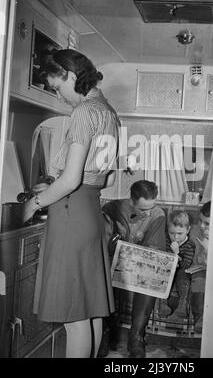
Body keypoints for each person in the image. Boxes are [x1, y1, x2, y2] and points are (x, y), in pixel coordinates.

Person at [23, 49, 121, 358]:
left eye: (57, 87)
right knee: (88, 312)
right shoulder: (109, 112)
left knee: (72, 317)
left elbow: (70, 180)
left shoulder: (83, 112)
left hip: (70, 214)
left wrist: (34, 203)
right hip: (91, 211)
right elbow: (103, 180)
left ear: (71, 76)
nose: (60, 96)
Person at [100, 180, 166, 358]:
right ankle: (103, 336)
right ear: (131, 200)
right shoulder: (112, 208)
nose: (148, 213)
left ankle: (136, 338)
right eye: (142, 210)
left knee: (150, 279)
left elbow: (154, 250)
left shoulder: (158, 214)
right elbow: (104, 242)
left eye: (151, 207)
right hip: (113, 262)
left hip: (138, 265)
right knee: (101, 277)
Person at [159, 210, 195, 322]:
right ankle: (163, 304)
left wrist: (177, 253)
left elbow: (186, 264)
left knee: (184, 276)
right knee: (162, 274)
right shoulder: (165, 240)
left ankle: (182, 306)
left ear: (188, 230)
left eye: (180, 233)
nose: (175, 237)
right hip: (168, 267)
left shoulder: (189, 245)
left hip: (181, 269)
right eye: (171, 233)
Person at [189, 201, 210, 333]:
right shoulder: (196, 232)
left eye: (207, 223)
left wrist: (208, 251)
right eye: (200, 221)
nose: (202, 226)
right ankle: (200, 321)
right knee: (199, 282)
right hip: (198, 271)